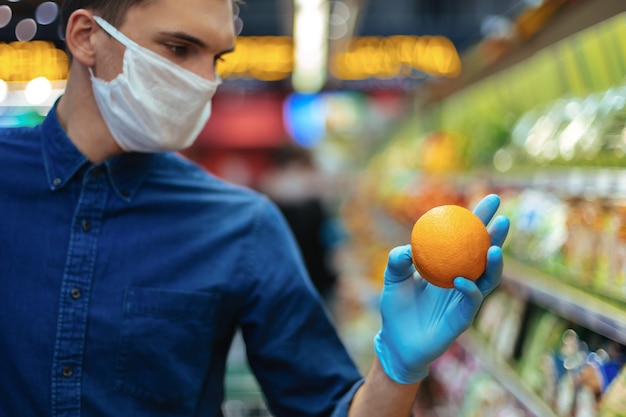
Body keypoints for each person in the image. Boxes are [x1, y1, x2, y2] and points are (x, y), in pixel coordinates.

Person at [0, 1, 510, 416]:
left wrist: (398, 370)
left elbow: (328, 407)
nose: (206, 81)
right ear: (87, 36)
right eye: (180, 48)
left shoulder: (242, 226)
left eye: (217, 58)